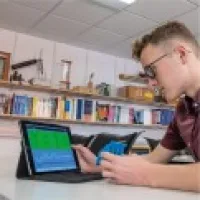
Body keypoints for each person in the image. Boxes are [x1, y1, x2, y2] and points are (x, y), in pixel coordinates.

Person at [74, 21, 200, 192]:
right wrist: (102, 166)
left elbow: (147, 169)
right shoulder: (183, 110)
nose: (150, 84)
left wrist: (146, 174)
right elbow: (153, 159)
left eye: (151, 71)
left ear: (181, 54)